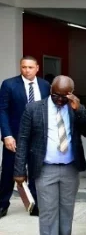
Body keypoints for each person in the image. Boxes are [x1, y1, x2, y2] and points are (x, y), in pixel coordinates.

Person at [14, 76, 86, 235]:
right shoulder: (34, 109)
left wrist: (79, 111)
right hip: (45, 168)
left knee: (67, 208)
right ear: (51, 90)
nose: (59, 99)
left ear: (71, 93)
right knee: (48, 210)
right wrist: (19, 170)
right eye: (56, 95)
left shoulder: (75, 108)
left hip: (70, 167)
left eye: (64, 96)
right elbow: (23, 140)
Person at [0, 56, 50, 218]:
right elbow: (2, 110)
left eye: (30, 67)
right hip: (15, 136)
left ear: (37, 68)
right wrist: (7, 135)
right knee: (9, 170)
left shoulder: (45, 85)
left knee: (36, 170)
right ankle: (2, 204)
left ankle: (35, 205)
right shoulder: (9, 84)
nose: (27, 70)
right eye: (23, 67)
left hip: (38, 136)